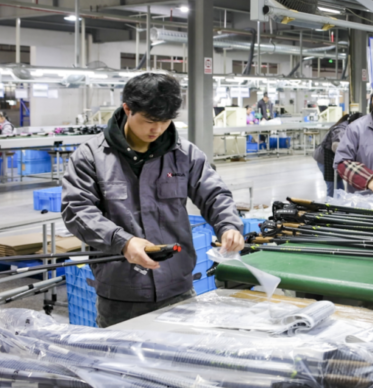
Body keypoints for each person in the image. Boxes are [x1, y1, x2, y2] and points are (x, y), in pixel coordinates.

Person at [62, 73, 245, 328]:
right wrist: (123, 242)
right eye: (149, 121)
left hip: (177, 287)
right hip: (120, 294)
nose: (157, 130)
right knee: (122, 353)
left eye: (165, 121)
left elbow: (214, 194)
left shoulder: (185, 155)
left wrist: (228, 226)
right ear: (127, 109)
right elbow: (77, 210)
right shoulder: (91, 156)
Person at [314, 112, 363, 197]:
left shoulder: (351, 127)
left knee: (340, 189)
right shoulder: (341, 129)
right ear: (353, 122)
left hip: (335, 159)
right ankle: (329, 204)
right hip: (326, 159)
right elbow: (335, 146)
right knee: (332, 188)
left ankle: (339, 204)